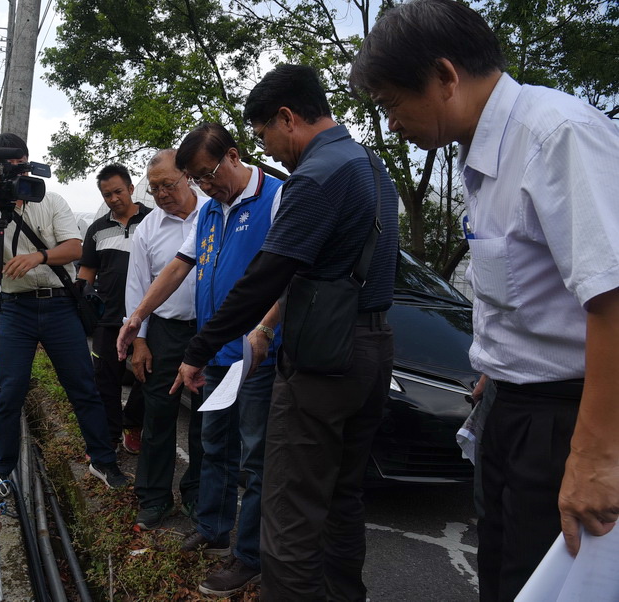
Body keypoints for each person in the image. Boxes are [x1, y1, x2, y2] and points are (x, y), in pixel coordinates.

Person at [349, 1, 619, 599]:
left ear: (446, 76)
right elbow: (526, 286)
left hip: (566, 417)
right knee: (500, 573)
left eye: (393, 104)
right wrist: (495, 365)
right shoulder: (479, 152)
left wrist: (597, 457)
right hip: (506, 402)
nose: (391, 124)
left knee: (545, 583)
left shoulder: (558, 136)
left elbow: (613, 298)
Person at [173, 65, 399, 600]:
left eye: (263, 137)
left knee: (290, 508)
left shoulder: (315, 176)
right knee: (342, 498)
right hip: (372, 347)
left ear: (287, 117)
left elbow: (267, 277)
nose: (268, 151)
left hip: (324, 358)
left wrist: (200, 348)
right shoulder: (371, 164)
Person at [117, 123, 283, 597]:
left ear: (233, 156)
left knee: (254, 460)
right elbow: (178, 266)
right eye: (198, 179)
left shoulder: (276, 197)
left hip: (255, 356)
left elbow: (292, 270)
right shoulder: (212, 210)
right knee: (213, 444)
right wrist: (139, 316)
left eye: (208, 176)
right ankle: (211, 529)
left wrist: (265, 327)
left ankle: (248, 556)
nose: (205, 187)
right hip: (213, 352)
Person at [0, 133, 129, 489]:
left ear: (27, 164)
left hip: (59, 305)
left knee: (82, 386)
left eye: (17, 166)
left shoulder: (51, 200)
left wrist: (38, 257)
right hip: (14, 309)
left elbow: (74, 248)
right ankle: (4, 469)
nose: (13, 175)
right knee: (10, 391)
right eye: (4, 169)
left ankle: (103, 461)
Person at [125, 149, 208, 530]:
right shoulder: (148, 229)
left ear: (188, 177)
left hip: (209, 332)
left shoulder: (213, 212)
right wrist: (139, 340)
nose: (160, 194)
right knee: (159, 415)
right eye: (154, 188)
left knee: (208, 418)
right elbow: (137, 287)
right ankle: (155, 498)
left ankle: (197, 495)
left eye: (168, 184)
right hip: (164, 331)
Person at [78, 164, 149, 454]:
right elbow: (87, 271)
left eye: (118, 191)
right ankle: (109, 435)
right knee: (106, 378)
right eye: (107, 194)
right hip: (108, 318)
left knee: (148, 374)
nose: (113, 198)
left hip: (147, 316)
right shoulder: (97, 229)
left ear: (131, 189)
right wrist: (82, 298)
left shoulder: (154, 220)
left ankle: (132, 424)